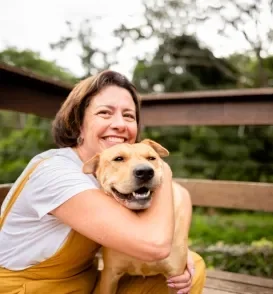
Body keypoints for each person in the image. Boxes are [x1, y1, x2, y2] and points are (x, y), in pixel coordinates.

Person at [0, 70, 206, 293]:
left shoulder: (112, 175)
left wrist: (179, 249)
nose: (120, 124)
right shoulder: (55, 172)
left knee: (192, 268)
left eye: (128, 116)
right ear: (77, 123)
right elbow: (154, 245)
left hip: (86, 284)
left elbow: (180, 194)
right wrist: (162, 168)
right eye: (105, 113)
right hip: (29, 289)